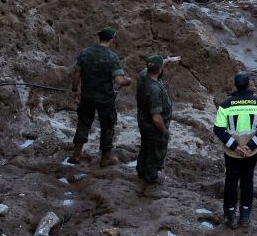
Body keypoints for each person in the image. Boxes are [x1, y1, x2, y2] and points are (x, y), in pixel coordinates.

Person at [213, 71, 257, 229]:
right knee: (248, 182)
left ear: (235, 84)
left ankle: (230, 216)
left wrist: (235, 147)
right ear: (249, 83)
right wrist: (250, 146)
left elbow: (218, 130)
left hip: (232, 153)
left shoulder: (225, 105)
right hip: (251, 152)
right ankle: (245, 216)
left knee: (230, 182)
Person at [69, 26, 131, 167]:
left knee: (83, 123)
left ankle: (76, 154)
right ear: (111, 39)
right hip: (105, 99)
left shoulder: (85, 53)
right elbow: (120, 81)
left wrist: (75, 90)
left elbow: (76, 74)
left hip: (87, 97)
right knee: (107, 125)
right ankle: (105, 158)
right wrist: (129, 80)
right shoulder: (112, 56)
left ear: (100, 38)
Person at [136, 54, 179, 197]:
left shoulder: (143, 77)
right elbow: (156, 117)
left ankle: (141, 173)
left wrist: (168, 60)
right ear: (160, 70)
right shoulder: (154, 89)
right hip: (154, 127)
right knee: (155, 154)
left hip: (143, 123)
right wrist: (164, 131)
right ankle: (151, 186)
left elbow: (151, 66)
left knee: (145, 148)